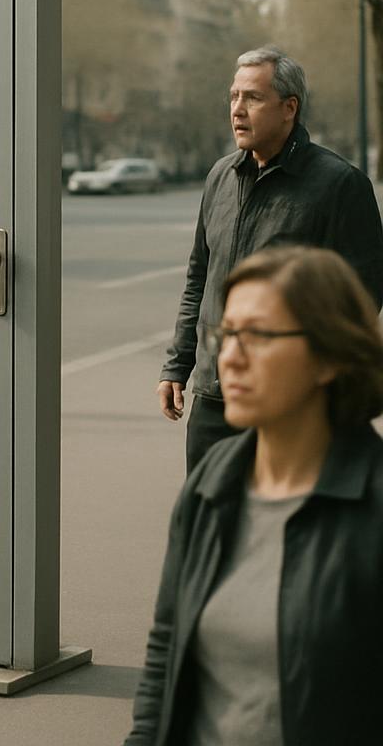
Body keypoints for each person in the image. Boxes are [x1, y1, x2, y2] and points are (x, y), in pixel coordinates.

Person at [127, 246, 383, 745]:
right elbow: (165, 647)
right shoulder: (213, 482)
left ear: (330, 357)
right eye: (227, 335)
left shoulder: (372, 507)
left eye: (259, 336)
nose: (231, 358)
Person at [157, 45, 383, 472]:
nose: (238, 110)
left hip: (289, 402)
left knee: (278, 528)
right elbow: (199, 279)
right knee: (209, 526)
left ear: (289, 108)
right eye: (233, 97)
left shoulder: (339, 185)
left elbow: (361, 298)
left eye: (253, 98)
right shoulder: (220, 177)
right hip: (213, 396)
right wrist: (178, 364)